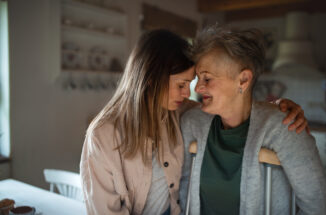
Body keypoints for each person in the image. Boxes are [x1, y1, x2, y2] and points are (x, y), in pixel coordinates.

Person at [80, 29, 308, 215]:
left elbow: (230, 104)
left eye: (189, 84)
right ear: (151, 80)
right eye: (181, 85)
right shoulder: (103, 136)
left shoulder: (177, 111)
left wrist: (277, 107)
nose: (187, 94)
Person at [180, 26, 326, 215]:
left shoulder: (285, 127)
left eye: (207, 79)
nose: (199, 87)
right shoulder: (192, 123)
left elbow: (318, 206)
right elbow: (183, 187)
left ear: (243, 80)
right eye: (198, 78)